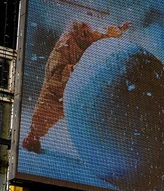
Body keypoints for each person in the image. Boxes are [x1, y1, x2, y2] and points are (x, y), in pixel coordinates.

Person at [22, 20, 132, 153]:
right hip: (55, 92)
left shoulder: (91, 37)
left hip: (77, 88)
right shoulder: (63, 46)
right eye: (83, 33)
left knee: (92, 118)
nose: (86, 36)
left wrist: (119, 29)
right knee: (43, 115)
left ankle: (103, 148)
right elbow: (54, 73)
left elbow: (104, 34)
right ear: (75, 34)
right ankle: (32, 138)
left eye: (88, 32)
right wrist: (76, 69)